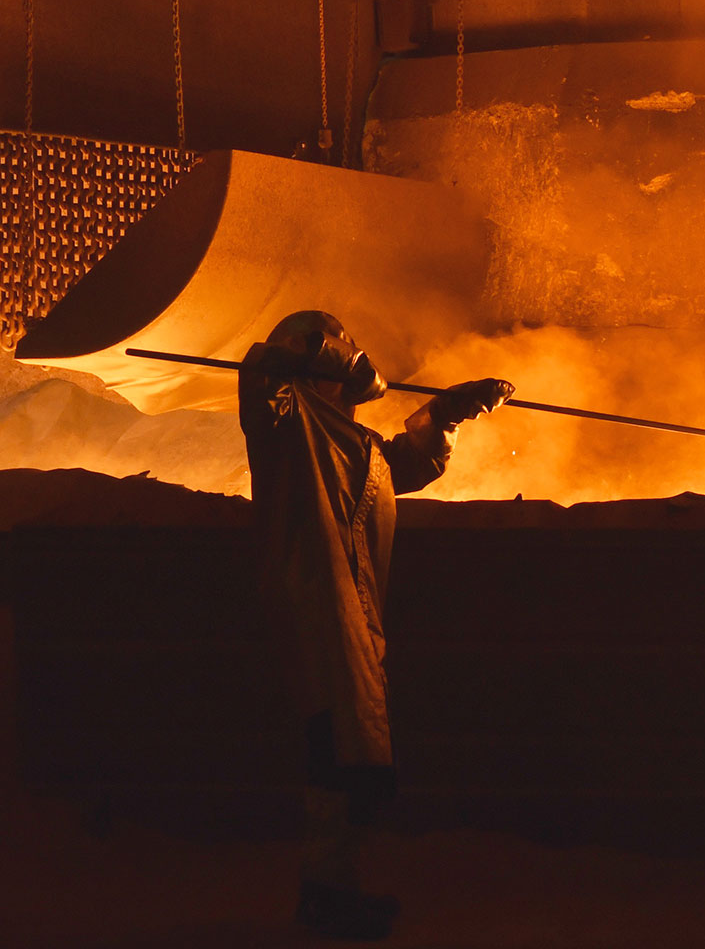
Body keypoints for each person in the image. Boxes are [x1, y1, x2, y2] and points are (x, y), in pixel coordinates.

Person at [238, 310, 511, 940]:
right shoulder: (285, 428)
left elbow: (400, 467)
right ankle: (324, 894)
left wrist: (445, 415)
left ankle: (335, 886)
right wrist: (339, 359)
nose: (350, 367)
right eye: (339, 356)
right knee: (334, 755)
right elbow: (263, 367)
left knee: (351, 758)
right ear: (321, 365)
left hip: (352, 617)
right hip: (313, 609)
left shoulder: (352, 445)